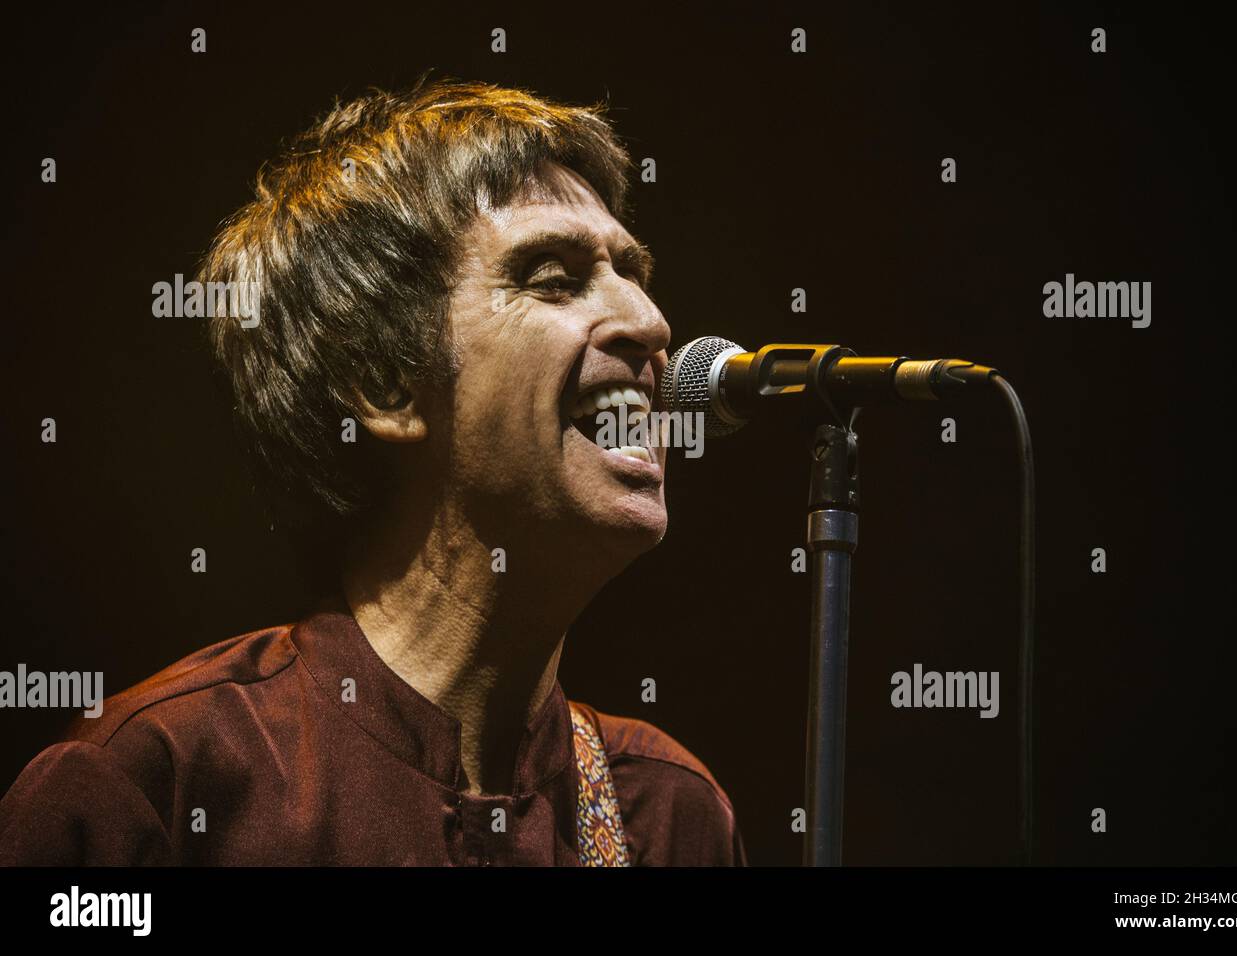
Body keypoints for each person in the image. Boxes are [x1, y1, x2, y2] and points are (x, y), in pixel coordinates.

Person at [0, 77, 745, 866]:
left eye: (635, 273)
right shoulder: (152, 787)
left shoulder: (670, 817)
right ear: (385, 381)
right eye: (553, 278)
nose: (651, 322)